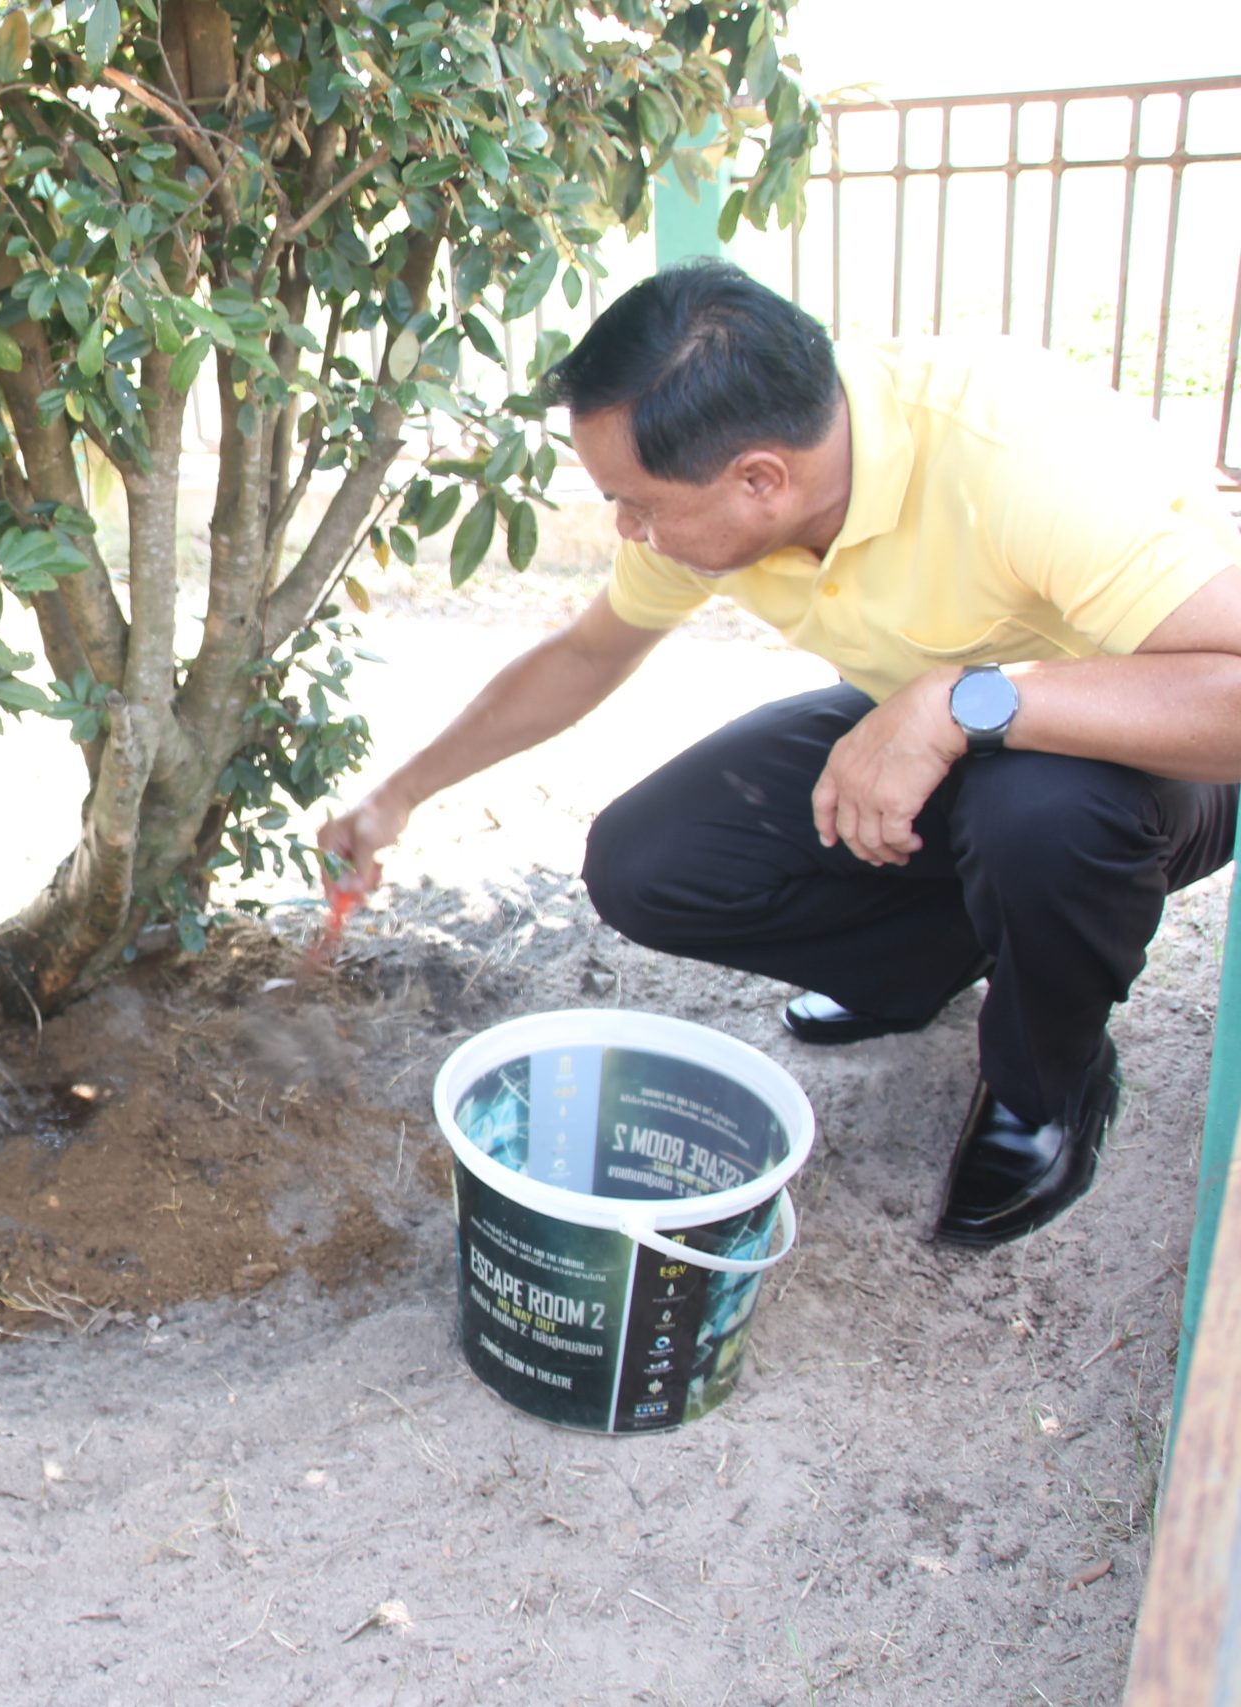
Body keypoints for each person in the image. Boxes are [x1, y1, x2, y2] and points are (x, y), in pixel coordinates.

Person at [321, 261, 1241, 1249]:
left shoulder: (1014, 461)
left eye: (637, 505)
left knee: (1038, 817)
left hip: (1153, 750)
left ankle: (1044, 1083)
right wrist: (397, 798)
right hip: (940, 717)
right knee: (649, 863)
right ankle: (927, 967)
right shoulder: (719, 490)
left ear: (761, 478)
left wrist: (956, 702)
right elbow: (586, 655)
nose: (625, 530)